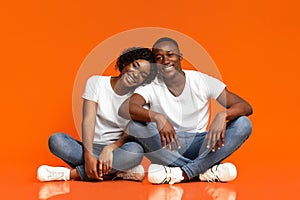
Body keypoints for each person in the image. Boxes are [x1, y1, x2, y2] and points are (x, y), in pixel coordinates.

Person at [119, 37, 253, 184]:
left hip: (202, 143)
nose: (165, 61)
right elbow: (127, 108)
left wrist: (223, 115)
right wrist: (158, 117)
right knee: (135, 126)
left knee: (243, 123)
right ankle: (202, 171)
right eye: (159, 58)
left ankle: (181, 173)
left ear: (180, 56)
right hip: (168, 145)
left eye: (170, 54)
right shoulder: (151, 86)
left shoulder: (201, 81)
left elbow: (245, 106)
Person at [37, 47, 157, 182]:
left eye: (143, 75)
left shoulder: (139, 97)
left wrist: (110, 148)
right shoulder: (96, 82)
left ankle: (69, 174)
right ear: (126, 62)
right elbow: (88, 120)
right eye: (135, 66)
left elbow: (131, 131)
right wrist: (88, 156)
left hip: (117, 151)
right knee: (56, 140)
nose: (136, 75)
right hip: (90, 148)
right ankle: (119, 172)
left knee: (136, 151)